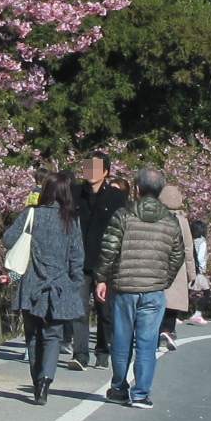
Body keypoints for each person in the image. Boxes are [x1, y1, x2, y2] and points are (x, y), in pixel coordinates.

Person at [94, 168, 185, 409]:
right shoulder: (170, 221)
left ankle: (119, 388)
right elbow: (178, 256)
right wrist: (163, 280)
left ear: (136, 188)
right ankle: (141, 393)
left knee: (122, 340)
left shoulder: (123, 215)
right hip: (154, 290)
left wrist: (101, 278)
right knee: (147, 343)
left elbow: (109, 249)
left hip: (124, 288)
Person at [10, 171, 84, 405]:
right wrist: (75, 283)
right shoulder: (71, 220)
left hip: (31, 283)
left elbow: (8, 239)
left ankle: (36, 382)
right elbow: (77, 257)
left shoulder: (32, 215)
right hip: (60, 286)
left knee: (32, 336)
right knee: (53, 336)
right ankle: (46, 380)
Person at [72, 152, 127, 373]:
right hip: (79, 260)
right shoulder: (75, 193)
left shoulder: (116, 198)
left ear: (105, 172)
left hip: (106, 262)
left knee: (105, 311)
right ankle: (80, 354)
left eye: (95, 168)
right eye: (87, 167)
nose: (90, 172)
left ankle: (103, 351)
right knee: (79, 309)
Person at [158, 181, 197, 351]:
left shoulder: (157, 217)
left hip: (158, 265)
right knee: (173, 303)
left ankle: (159, 332)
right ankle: (168, 331)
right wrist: (192, 273)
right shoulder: (182, 221)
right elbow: (188, 248)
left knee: (158, 302)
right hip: (178, 268)